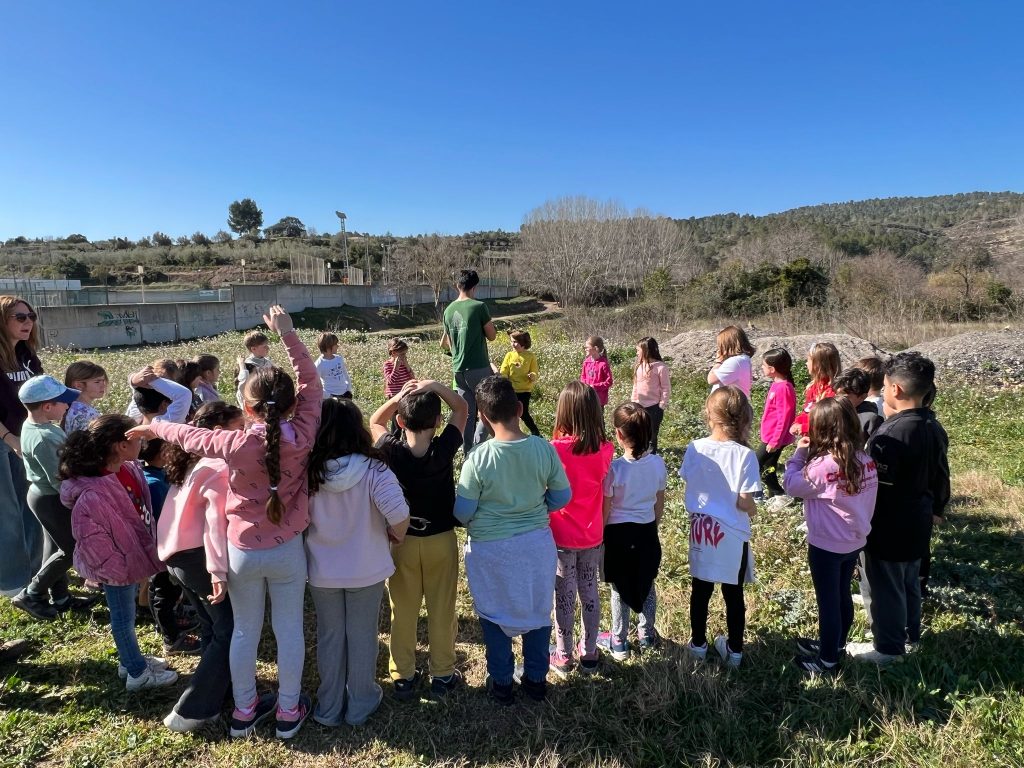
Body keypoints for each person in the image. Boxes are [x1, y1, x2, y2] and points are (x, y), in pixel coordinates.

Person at [130, 305, 322, 740]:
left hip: (241, 553)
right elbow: (312, 382)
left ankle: (244, 711)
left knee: (244, 632)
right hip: (288, 550)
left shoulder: (231, 444)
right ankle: (288, 711)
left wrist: (154, 429)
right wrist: (288, 334)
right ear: (293, 405)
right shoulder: (304, 432)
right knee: (289, 630)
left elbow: (188, 434)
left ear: (246, 408)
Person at [454, 376, 571, 704]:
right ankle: (536, 680)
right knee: (537, 611)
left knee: (494, 614)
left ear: (482, 416)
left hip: (491, 551)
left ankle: (502, 682)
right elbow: (562, 496)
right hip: (536, 546)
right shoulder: (543, 448)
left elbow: (462, 513)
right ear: (519, 409)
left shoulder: (477, 459)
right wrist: (538, 507)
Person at [306, 399, 410, 727]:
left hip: (322, 571)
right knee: (363, 635)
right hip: (367, 568)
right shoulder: (374, 469)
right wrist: (395, 535)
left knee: (330, 636)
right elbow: (399, 515)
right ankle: (360, 703)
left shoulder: (308, 471)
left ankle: (329, 706)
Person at [59, 415, 178, 691]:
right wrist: (117, 570)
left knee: (127, 616)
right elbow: (92, 541)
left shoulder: (127, 468)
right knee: (123, 619)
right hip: (117, 568)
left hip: (128, 559)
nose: (143, 443)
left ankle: (130, 660)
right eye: (137, 439)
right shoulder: (92, 493)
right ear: (120, 446)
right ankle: (137, 674)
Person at [847, 352, 949, 665]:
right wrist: (939, 506)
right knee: (908, 582)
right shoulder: (933, 426)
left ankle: (888, 648)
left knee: (884, 586)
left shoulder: (890, 435)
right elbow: (942, 473)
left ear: (896, 389)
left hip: (888, 524)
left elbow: (875, 488)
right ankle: (909, 636)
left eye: (885, 385)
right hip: (919, 519)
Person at [369, 379, 468, 701]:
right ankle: (442, 673)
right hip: (441, 539)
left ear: (400, 421)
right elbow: (462, 408)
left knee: (403, 610)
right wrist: (436, 386)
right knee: (442, 609)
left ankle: (403, 676)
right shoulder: (443, 448)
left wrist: (398, 397)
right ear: (438, 421)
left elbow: (374, 421)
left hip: (402, 541)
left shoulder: (392, 450)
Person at [159, 401, 243, 732]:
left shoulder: (191, 460)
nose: (245, 435)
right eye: (239, 428)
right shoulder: (219, 466)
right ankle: (191, 710)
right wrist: (218, 571)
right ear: (220, 432)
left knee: (211, 627)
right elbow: (214, 525)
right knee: (230, 630)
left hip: (176, 557)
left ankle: (217, 695)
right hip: (199, 558)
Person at [783, 398, 878, 675]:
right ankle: (835, 645)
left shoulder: (822, 466)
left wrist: (799, 455)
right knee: (841, 595)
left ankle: (827, 661)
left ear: (820, 429)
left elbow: (791, 485)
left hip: (826, 545)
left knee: (828, 602)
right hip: (854, 540)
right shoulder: (866, 461)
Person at [680, 386, 760, 668]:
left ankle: (698, 645)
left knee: (700, 590)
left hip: (702, 529)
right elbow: (744, 501)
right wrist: (753, 509)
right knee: (733, 593)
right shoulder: (745, 455)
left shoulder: (695, 448)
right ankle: (735, 651)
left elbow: (690, 480)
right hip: (731, 533)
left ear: (709, 414)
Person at [548, 382, 614, 677]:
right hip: (592, 535)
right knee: (590, 592)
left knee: (563, 597)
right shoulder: (606, 449)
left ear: (563, 412)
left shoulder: (554, 450)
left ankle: (563, 654)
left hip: (561, 536)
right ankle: (589, 651)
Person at [11, 375, 86, 621]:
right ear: (47, 406)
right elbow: (59, 479)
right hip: (52, 498)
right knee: (71, 549)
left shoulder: (36, 426)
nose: (67, 405)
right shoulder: (44, 437)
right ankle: (31, 593)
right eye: (63, 402)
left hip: (43, 495)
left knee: (53, 547)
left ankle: (60, 597)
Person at [597, 403, 666, 661]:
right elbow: (659, 502)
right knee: (647, 583)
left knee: (619, 587)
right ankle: (647, 635)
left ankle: (619, 640)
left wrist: (601, 535)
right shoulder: (658, 464)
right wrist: (653, 526)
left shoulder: (614, 469)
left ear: (618, 434)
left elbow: (606, 507)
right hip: (646, 531)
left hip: (617, 535)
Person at [0, 295, 44, 596]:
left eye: (31, 316)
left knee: (30, 507)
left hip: (24, 437)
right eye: (20, 317)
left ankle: (36, 575)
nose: (28, 322)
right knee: (7, 512)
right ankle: (12, 582)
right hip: (5, 438)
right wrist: (9, 439)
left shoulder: (27, 355)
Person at [140, 436, 200, 656]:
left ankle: (169, 622)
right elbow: (163, 516)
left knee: (165, 589)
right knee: (163, 592)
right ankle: (171, 638)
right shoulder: (155, 484)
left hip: (163, 544)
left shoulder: (152, 476)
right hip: (163, 546)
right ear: (161, 454)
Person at [441, 269, 497, 453]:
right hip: (478, 367)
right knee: (488, 409)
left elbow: (449, 344)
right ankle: (480, 446)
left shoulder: (448, 311)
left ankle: (468, 453)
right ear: (475, 287)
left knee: (467, 414)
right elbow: (492, 336)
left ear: (457, 285)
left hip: (458, 370)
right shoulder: (479, 307)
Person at [757, 348, 797, 512]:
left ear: (772, 369)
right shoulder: (777, 385)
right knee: (769, 466)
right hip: (771, 436)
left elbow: (784, 418)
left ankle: (780, 494)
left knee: (757, 464)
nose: (762, 367)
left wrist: (775, 441)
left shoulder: (784, 388)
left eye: (763, 365)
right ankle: (775, 495)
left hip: (775, 438)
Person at [631, 337, 670, 454]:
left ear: (646, 350)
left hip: (654, 407)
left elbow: (666, 387)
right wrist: (633, 401)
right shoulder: (639, 366)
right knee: (639, 431)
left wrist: (662, 404)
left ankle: (651, 455)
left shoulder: (661, 367)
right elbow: (636, 385)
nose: (637, 353)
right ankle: (640, 453)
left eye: (638, 350)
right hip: (639, 405)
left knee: (652, 434)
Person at [792, 342, 841, 436]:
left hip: (824, 439)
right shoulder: (814, 387)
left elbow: (828, 422)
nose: (806, 363)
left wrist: (804, 428)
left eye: (808, 360)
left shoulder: (833, 392)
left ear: (818, 364)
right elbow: (807, 411)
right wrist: (797, 422)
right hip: (811, 438)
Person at [499, 330, 541, 437]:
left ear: (523, 343)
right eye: (511, 341)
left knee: (524, 413)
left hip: (524, 391)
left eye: (515, 342)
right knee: (510, 413)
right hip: (510, 390)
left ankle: (536, 433)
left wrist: (532, 376)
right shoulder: (509, 355)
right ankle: (512, 433)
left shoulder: (530, 356)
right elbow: (504, 369)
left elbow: (535, 372)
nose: (512, 344)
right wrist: (503, 378)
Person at [125, 364, 192, 425]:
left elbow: (138, 387)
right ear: (164, 404)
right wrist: (153, 380)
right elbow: (184, 394)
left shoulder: (133, 418)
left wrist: (136, 379)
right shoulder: (169, 423)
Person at [832, 368, 883, 443]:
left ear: (863, 397)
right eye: (836, 395)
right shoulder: (833, 410)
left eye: (845, 397)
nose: (838, 400)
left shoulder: (870, 420)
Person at [708, 325, 756, 397]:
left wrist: (718, 361)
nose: (719, 348)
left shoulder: (735, 361)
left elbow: (711, 379)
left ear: (728, 344)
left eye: (721, 345)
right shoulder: (743, 360)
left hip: (730, 403)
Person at [63, 361, 109, 434]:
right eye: (97, 382)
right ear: (78, 385)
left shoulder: (70, 407)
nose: (103, 385)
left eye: (103, 381)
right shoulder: (86, 414)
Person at [236, 330, 273, 407]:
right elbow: (243, 388)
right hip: (254, 402)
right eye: (264, 346)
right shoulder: (248, 366)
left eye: (267, 345)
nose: (268, 348)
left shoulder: (268, 362)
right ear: (253, 349)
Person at [315, 332, 353, 400]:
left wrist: (349, 389)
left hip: (345, 394)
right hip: (330, 399)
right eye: (335, 344)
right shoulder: (319, 364)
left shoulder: (339, 359)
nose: (338, 346)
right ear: (328, 346)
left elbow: (345, 374)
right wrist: (329, 396)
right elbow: (316, 385)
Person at [580, 336, 613, 408]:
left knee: (598, 415)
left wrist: (595, 387)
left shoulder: (603, 363)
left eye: (587, 347)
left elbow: (609, 381)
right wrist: (584, 386)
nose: (585, 349)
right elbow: (583, 377)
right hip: (587, 397)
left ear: (595, 348)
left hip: (599, 400)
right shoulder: (586, 362)